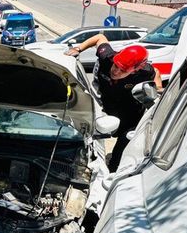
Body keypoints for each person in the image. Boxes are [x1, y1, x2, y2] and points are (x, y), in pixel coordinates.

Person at [65, 34, 163, 171]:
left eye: (122, 70)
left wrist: (157, 88)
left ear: (136, 69)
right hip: (107, 105)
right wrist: (78, 48)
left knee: (124, 141)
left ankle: (113, 167)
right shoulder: (108, 57)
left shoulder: (144, 72)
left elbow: (156, 72)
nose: (115, 71)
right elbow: (100, 37)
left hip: (131, 111)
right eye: (116, 66)